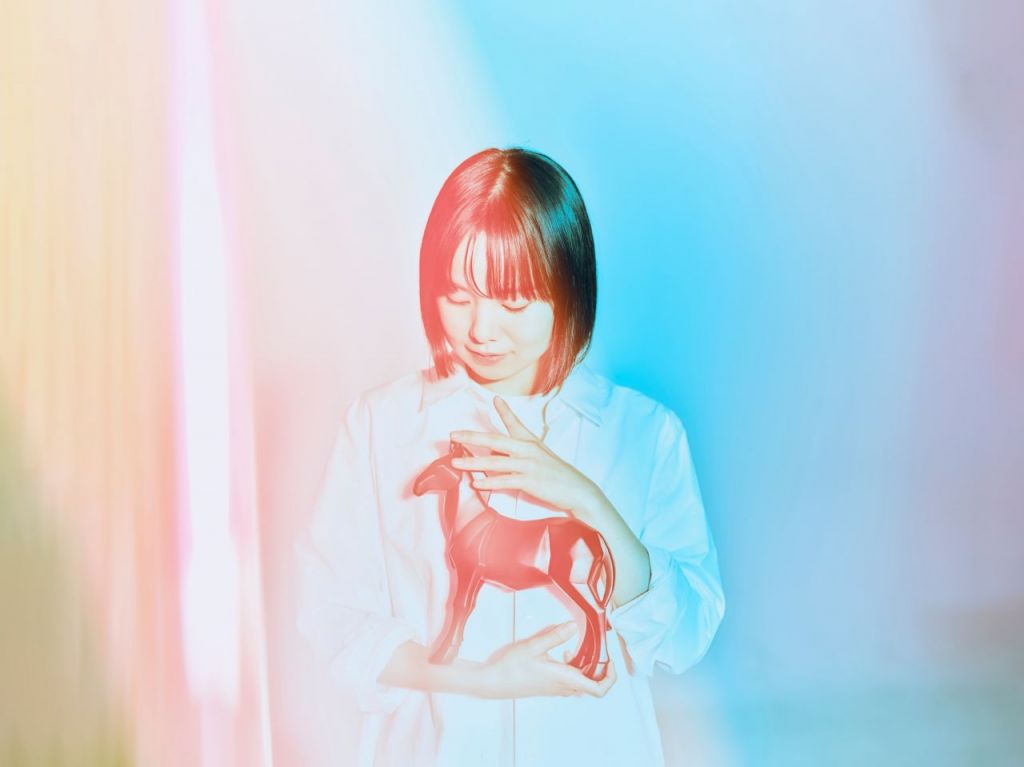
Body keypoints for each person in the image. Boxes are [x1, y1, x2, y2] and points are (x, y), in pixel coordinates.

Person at [297, 147, 725, 766]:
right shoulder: (381, 427)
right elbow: (330, 614)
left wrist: (583, 498)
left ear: (568, 289)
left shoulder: (644, 434)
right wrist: (478, 678)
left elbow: (686, 635)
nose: (481, 330)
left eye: (515, 302)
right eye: (457, 296)